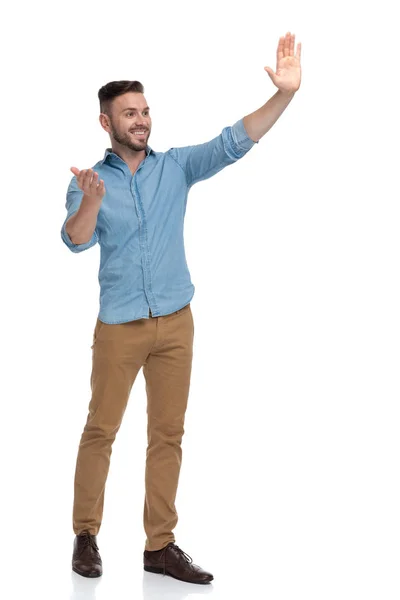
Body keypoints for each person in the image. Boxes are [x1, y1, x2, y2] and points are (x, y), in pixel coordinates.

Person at [62, 32, 302, 584]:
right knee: (102, 429)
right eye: (129, 114)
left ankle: (159, 546)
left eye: (145, 111)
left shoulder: (176, 168)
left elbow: (233, 141)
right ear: (107, 123)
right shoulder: (89, 183)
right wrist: (92, 204)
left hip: (176, 324)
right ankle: (86, 534)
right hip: (119, 328)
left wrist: (284, 96)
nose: (141, 121)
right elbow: (74, 241)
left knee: (167, 434)